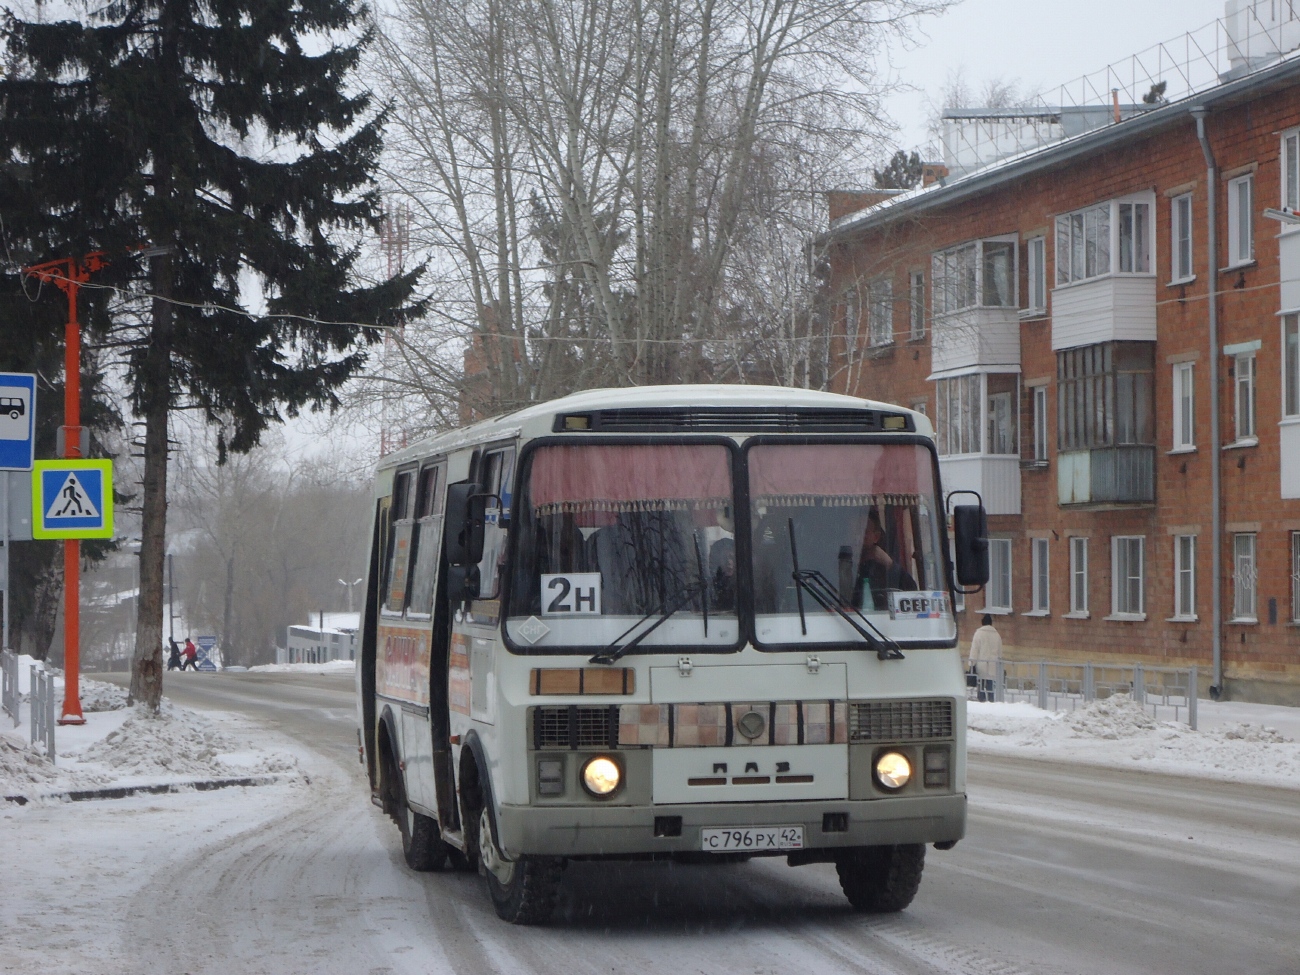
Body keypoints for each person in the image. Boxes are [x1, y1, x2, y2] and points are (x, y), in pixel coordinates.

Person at [854, 509, 916, 610]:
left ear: (876, 537)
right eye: (854, 531)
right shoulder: (840, 562)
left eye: (864, 532)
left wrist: (890, 564)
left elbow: (912, 590)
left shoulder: (883, 566)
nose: (857, 537)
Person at [968, 614, 1002, 702]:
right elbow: (999, 652)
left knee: (981, 685)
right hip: (993, 665)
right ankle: (991, 701)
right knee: (990, 686)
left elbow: (974, 650)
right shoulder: (997, 635)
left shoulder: (979, 633)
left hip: (981, 665)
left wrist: (971, 664)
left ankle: (981, 700)